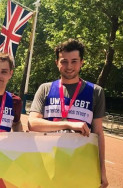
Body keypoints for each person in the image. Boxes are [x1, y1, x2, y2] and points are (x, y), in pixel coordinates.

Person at [28, 39, 108, 187]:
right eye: (64, 61)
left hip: (79, 165)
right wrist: (68, 124)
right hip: (47, 163)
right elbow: (32, 123)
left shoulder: (96, 92)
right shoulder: (45, 89)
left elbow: (98, 133)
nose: (69, 66)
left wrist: (102, 170)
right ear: (57, 62)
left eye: (74, 61)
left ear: (82, 62)